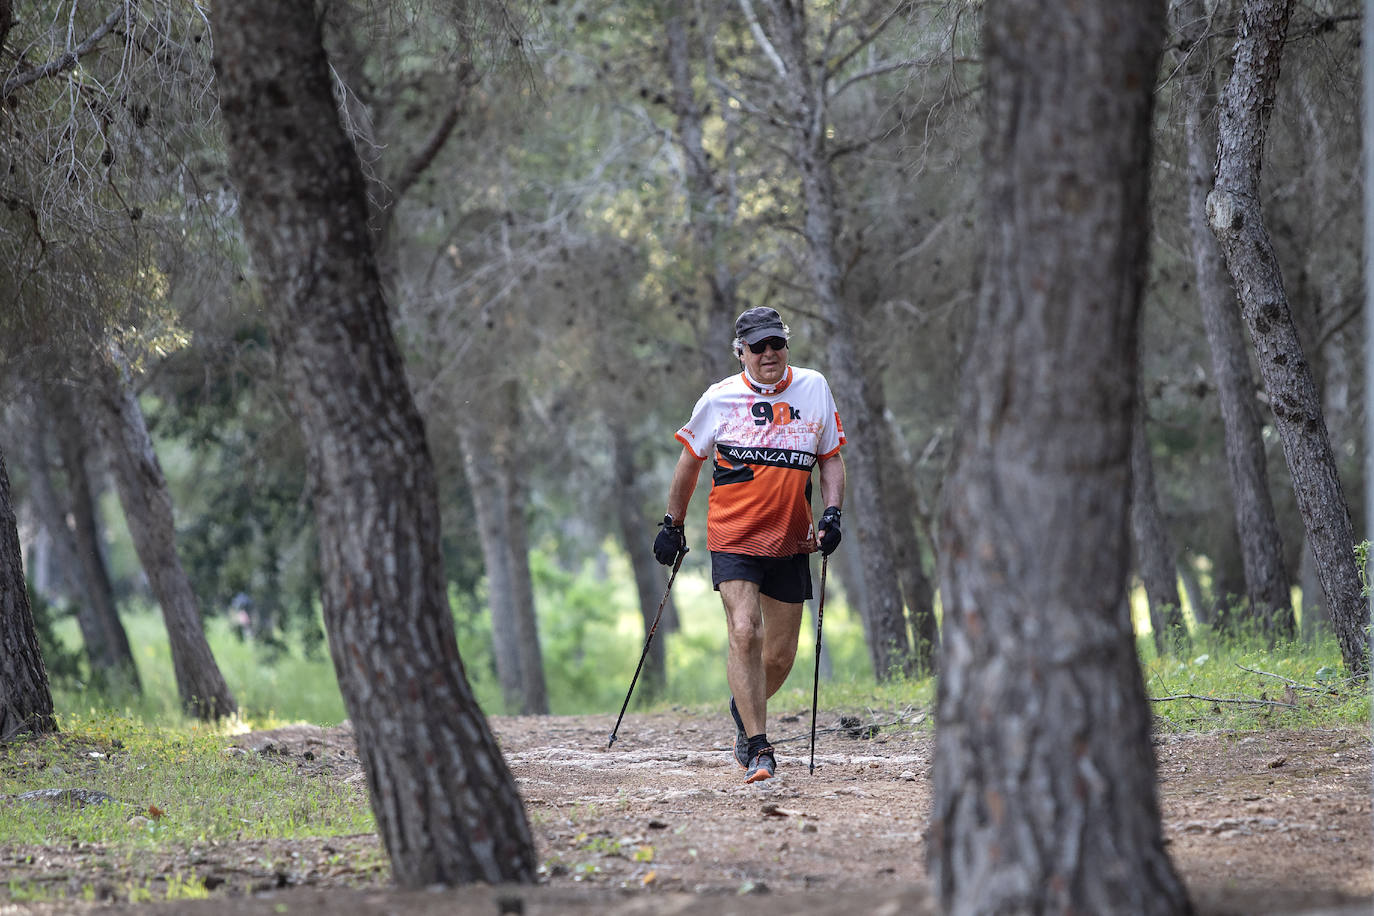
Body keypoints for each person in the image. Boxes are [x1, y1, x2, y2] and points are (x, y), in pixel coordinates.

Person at [654, 306, 845, 783]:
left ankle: (744, 712)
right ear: (740, 351)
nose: (768, 354)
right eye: (757, 346)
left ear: (786, 344)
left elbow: (831, 458)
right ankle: (759, 747)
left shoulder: (814, 387)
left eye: (775, 344)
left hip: (791, 539)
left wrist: (833, 512)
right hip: (733, 534)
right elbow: (689, 462)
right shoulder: (719, 398)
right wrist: (672, 524)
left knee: (779, 657)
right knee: (744, 631)